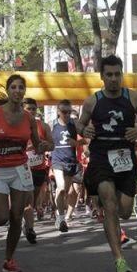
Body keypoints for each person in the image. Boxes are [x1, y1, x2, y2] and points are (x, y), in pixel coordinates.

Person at [76, 55, 137, 272]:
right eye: (108, 75)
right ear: (102, 77)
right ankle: (119, 259)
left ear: (121, 75)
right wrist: (84, 130)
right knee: (109, 204)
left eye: (117, 74)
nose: (113, 79)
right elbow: (80, 123)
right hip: (100, 157)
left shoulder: (133, 97)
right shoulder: (93, 101)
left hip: (125, 157)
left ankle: (112, 213)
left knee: (125, 212)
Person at [0, 75, 47, 272]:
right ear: (8, 90)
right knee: (2, 217)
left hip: (20, 169)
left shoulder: (29, 118)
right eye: (13, 87)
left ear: (24, 91)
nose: (17, 90)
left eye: (21, 87)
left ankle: (9, 260)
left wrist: (46, 146)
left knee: (16, 216)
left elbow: (38, 146)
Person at [23, 97, 54, 244]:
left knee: (33, 201)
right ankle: (30, 228)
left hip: (39, 168)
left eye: (33, 109)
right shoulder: (17, 125)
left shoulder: (44, 126)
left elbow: (52, 145)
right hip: (22, 168)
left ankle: (26, 224)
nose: (31, 111)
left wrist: (43, 146)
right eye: (28, 109)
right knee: (28, 200)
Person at [51, 99, 80, 232]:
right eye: (64, 112)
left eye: (68, 112)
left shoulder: (75, 124)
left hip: (71, 162)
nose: (67, 115)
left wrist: (78, 143)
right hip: (57, 160)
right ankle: (61, 218)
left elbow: (88, 138)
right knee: (61, 188)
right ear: (58, 112)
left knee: (65, 193)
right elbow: (45, 140)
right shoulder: (52, 125)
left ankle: (59, 214)